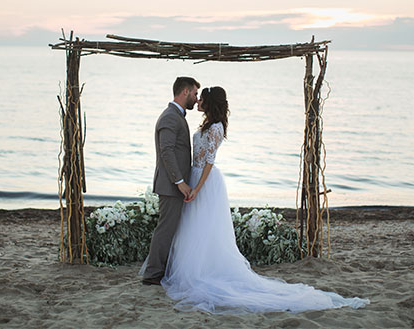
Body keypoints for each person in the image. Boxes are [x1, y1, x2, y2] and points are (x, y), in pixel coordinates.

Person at [159, 86, 370, 313]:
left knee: (203, 227)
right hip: (194, 176)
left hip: (205, 182)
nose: (198, 100)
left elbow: (210, 161)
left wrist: (198, 189)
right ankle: (191, 268)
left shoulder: (216, 128)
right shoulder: (205, 125)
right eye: (196, 97)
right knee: (192, 226)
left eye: (202, 98)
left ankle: (202, 270)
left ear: (210, 103)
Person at [142, 77, 200, 286]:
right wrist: (180, 182)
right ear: (184, 92)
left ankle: (161, 270)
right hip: (170, 186)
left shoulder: (177, 116)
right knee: (165, 229)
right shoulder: (169, 117)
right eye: (194, 93)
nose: (196, 98)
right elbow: (166, 151)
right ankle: (152, 275)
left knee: (169, 228)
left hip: (174, 185)